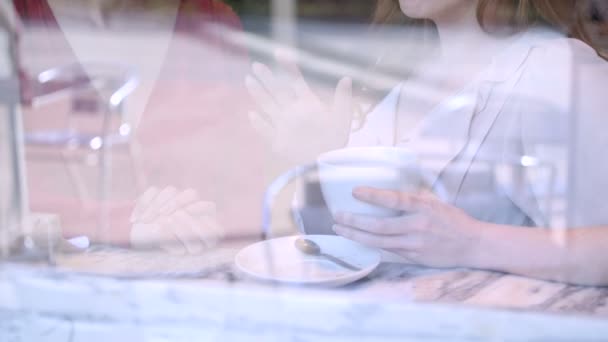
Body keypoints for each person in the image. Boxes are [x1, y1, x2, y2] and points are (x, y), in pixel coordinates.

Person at [245, 0, 608, 286]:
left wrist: (475, 242)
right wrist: (321, 159)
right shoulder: (397, 89)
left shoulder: (554, 70)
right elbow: (346, 253)